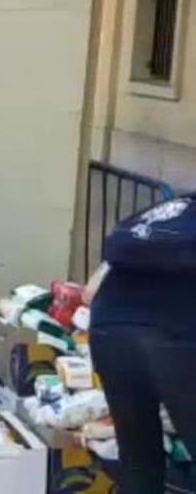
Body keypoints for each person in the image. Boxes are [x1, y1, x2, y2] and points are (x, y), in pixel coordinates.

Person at [86, 198, 196, 494]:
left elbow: (89, 291)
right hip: (175, 335)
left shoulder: (165, 211)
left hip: (108, 326)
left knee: (138, 460)